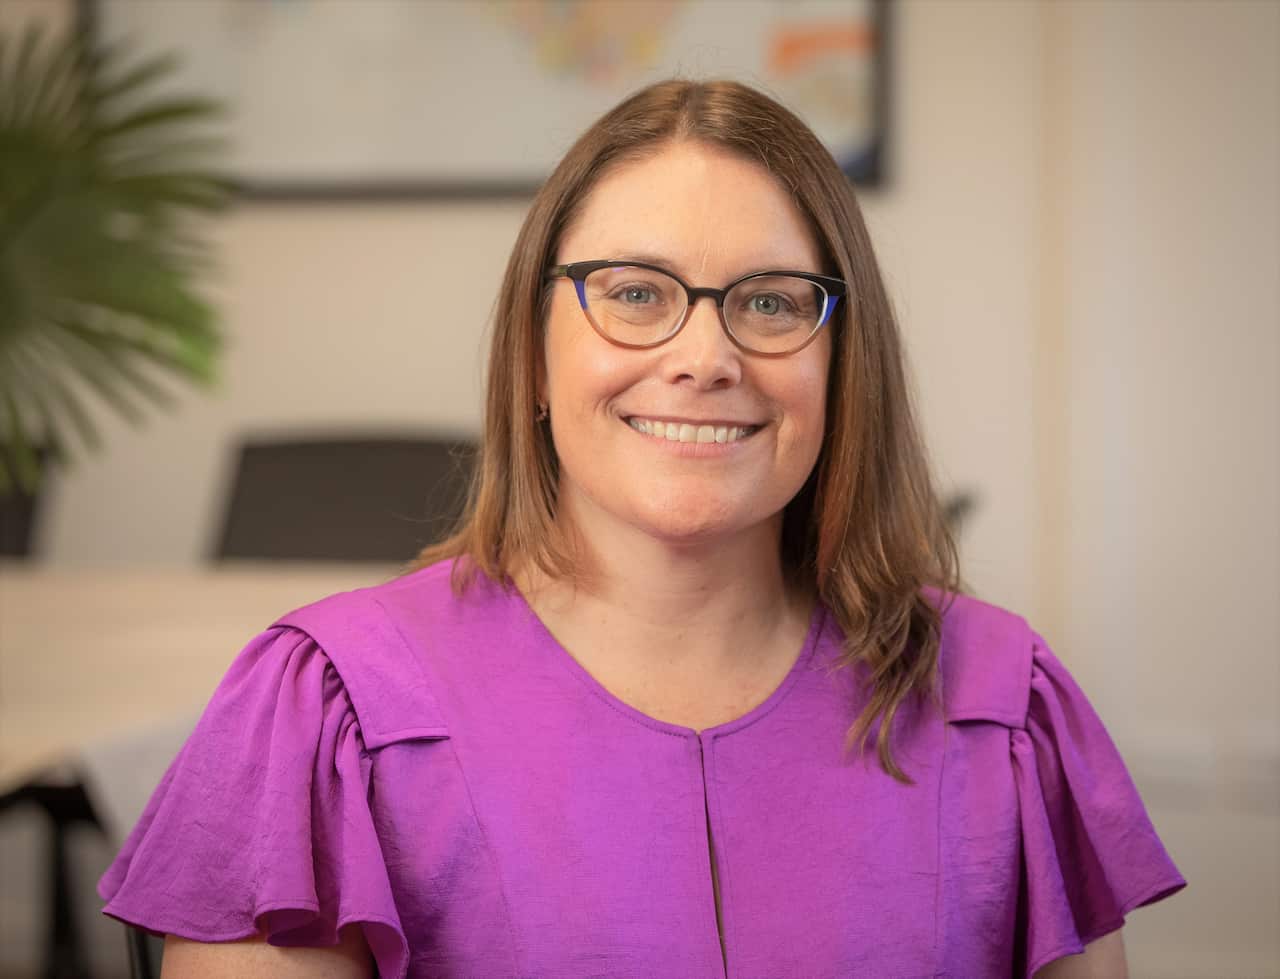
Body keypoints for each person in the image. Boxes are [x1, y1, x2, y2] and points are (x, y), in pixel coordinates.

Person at [98, 79, 1184, 979]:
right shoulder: (318, 711)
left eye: (768, 300)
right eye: (631, 291)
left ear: (840, 363)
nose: (705, 355)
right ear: (533, 350)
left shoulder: (1004, 703)